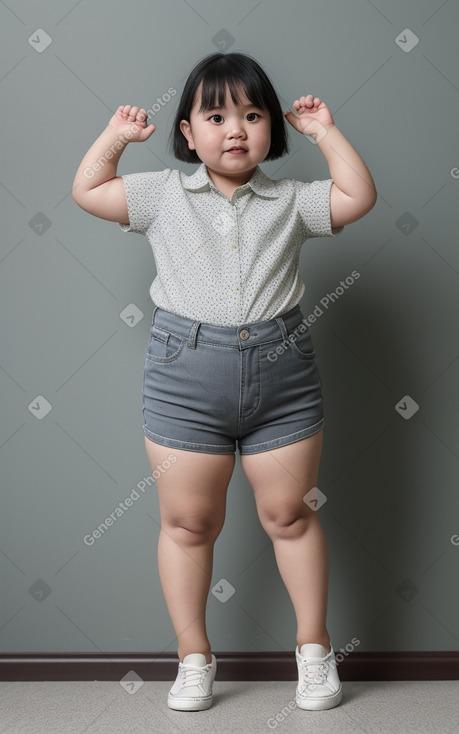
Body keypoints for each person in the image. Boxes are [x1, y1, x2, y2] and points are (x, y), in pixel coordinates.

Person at [72, 51, 377, 713]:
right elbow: (89, 189)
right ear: (187, 132)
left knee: (288, 515)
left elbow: (357, 196)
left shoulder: (292, 201)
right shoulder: (160, 194)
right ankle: (192, 658)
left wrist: (325, 131)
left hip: (282, 374)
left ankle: (314, 652)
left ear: (272, 129)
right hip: (184, 375)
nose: (234, 128)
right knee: (187, 523)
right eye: (215, 115)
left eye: (251, 114)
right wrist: (115, 139)